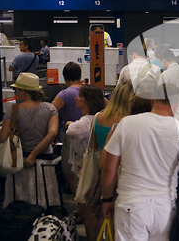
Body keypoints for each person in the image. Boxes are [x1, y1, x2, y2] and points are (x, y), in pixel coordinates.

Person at [101, 83, 179, 241]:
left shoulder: (126, 124)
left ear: (152, 99)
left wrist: (106, 199)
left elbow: (108, 169)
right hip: (165, 208)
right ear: (177, 104)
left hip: (130, 207)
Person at [0, 73, 59, 209]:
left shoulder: (13, 110)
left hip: (18, 163)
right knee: (44, 200)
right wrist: (34, 155)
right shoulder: (50, 108)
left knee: (19, 203)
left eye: (17, 90)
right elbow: (52, 133)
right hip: (44, 164)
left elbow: (3, 138)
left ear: (23, 91)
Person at [65, 85, 105, 241]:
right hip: (90, 167)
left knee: (86, 209)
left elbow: (72, 130)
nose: (76, 98)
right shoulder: (99, 117)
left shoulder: (86, 121)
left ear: (89, 100)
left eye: (80, 96)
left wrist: (68, 123)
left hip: (86, 168)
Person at [51, 62, 83, 197]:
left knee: (68, 171)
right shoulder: (90, 91)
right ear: (80, 76)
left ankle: (80, 202)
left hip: (71, 137)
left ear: (64, 77)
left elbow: (49, 112)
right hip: (91, 136)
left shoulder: (64, 94)